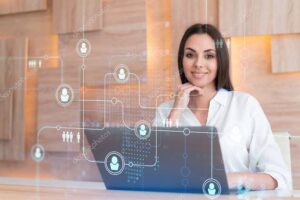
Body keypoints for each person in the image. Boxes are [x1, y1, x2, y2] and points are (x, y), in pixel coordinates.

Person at [153, 24, 291, 190]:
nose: (198, 63)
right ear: (182, 60)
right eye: (190, 55)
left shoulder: (245, 105)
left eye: (209, 56)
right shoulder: (165, 111)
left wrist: (231, 179)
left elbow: (279, 178)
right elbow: (156, 173)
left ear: (220, 61)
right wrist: (175, 113)